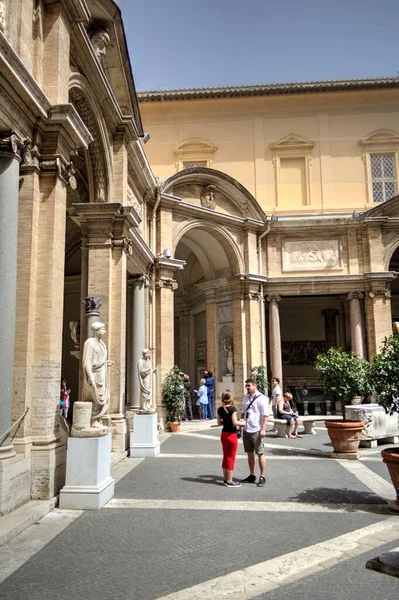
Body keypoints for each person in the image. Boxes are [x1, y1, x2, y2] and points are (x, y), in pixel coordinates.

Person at [82, 322, 113, 429]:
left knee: (101, 398)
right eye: (102, 329)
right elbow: (87, 362)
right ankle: (93, 420)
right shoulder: (90, 343)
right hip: (94, 374)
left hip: (101, 374)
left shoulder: (102, 344)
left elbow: (100, 360)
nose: (104, 331)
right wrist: (90, 377)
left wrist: (106, 363)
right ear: (96, 330)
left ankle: (98, 419)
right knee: (94, 397)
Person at [241, 377, 269, 487]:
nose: (247, 387)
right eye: (246, 385)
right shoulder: (245, 398)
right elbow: (243, 412)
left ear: (255, 386)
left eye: (249, 385)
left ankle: (262, 476)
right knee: (249, 453)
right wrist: (241, 425)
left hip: (257, 429)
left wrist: (263, 429)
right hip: (246, 429)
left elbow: (265, 416)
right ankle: (252, 475)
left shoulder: (262, 398)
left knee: (260, 453)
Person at [217, 392, 245, 487]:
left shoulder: (220, 409)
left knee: (226, 456)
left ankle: (225, 479)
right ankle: (229, 480)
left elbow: (219, 423)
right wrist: (243, 423)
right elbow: (235, 422)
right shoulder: (232, 409)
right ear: (231, 399)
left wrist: (225, 420)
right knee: (231, 457)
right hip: (231, 435)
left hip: (224, 434)